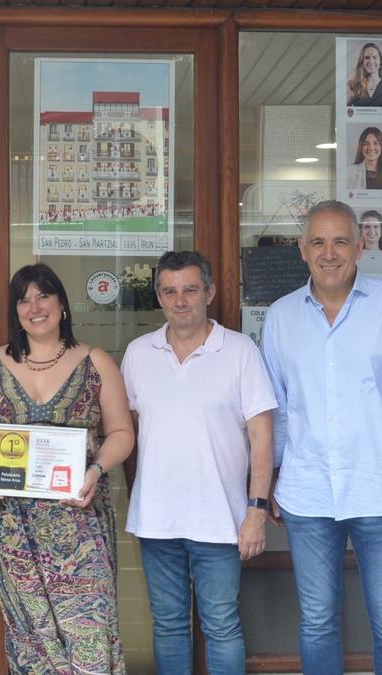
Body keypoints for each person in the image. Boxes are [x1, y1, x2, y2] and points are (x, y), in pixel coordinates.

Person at [261, 200, 382, 675]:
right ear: (302, 250)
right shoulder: (280, 318)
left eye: (340, 240)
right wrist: (271, 481)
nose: (329, 252)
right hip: (307, 494)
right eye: (318, 241)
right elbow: (277, 412)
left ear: (360, 246)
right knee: (317, 622)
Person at [0, 263, 133, 673]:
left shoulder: (96, 361)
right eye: (23, 298)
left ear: (62, 305)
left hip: (79, 525)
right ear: (15, 311)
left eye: (43, 295)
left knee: (90, 634)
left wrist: (97, 469)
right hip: (13, 528)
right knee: (33, 644)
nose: (34, 306)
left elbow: (121, 431)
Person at [121, 250, 276, 675]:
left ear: (209, 292)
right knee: (169, 626)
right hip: (157, 519)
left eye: (191, 289)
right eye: (170, 291)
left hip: (220, 520)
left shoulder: (240, 351)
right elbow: (127, 435)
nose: (181, 300)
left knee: (222, 626)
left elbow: (263, 437)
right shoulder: (138, 353)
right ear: (158, 297)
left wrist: (256, 512)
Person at [346, 42, 382, 107]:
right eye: (367, 57)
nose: (371, 61)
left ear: (380, 61)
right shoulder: (352, 86)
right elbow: (341, 112)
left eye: (375, 57)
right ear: (362, 61)